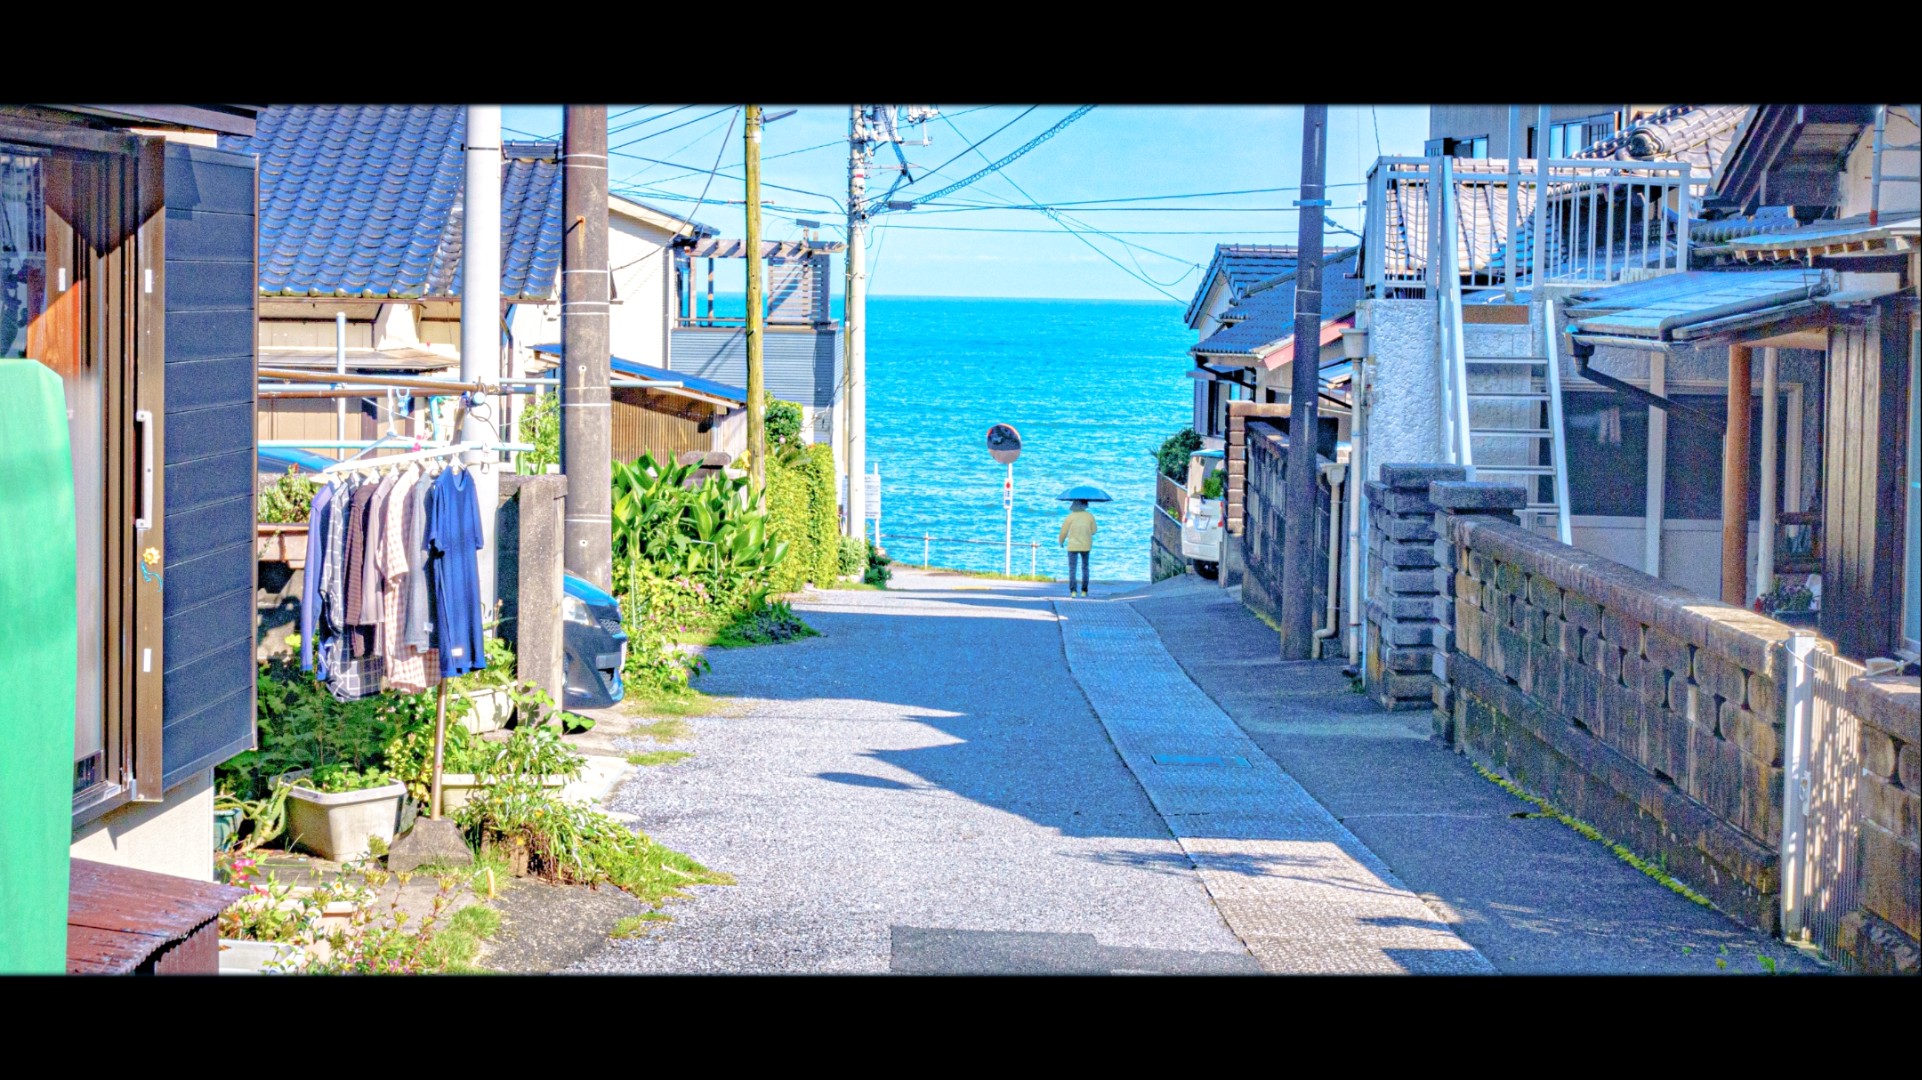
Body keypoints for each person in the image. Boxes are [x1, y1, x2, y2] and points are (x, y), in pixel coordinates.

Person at [1058, 498, 1097, 598]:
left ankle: (1073, 592)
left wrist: (1061, 541)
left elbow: (1063, 532)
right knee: (1085, 568)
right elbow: (1094, 531)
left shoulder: (1070, 517)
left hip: (1072, 546)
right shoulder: (1090, 516)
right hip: (1086, 545)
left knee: (1072, 569)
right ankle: (1084, 591)